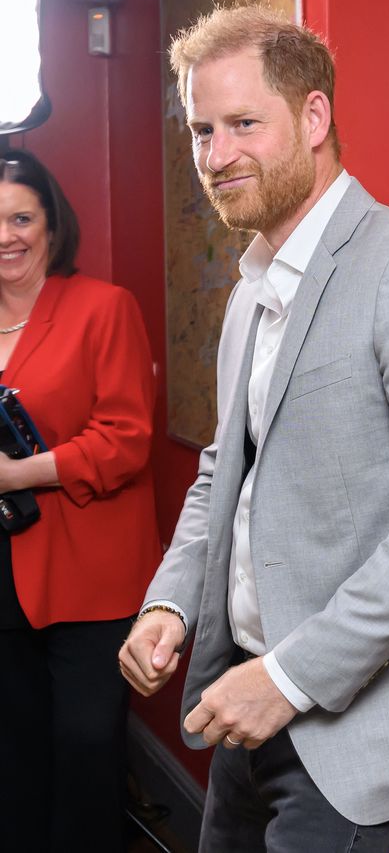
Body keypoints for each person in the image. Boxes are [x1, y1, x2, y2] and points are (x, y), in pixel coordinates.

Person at [119, 5, 389, 853]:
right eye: (200, 131)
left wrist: (288, 679)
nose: (216, 157)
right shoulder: (251, 289)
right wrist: (171, 603)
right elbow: (223, 470)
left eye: (243, 124)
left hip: (360, 730)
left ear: (315, 117)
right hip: (247, 707)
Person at [0, 149, 160, 852]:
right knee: (13, 751)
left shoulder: (103, 307)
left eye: (21, 217)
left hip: (89, 578)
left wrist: (18, 474)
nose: (6, 235)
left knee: (87, 750)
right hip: (4, 577)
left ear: (52, 226)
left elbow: (126, 439)